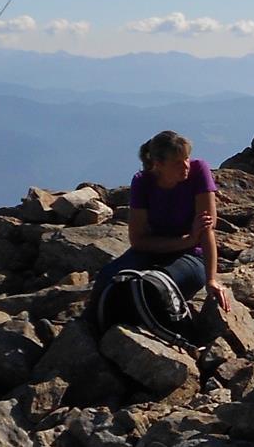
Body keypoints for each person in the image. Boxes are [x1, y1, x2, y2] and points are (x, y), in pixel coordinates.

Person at [94, 129, 232, 325]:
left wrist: (211, 279)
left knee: (156, 286)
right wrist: (186, 240)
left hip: (192, 256)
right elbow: (138, 241)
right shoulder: (142, 182)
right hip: (155, 250)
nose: (186, 165)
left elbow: (207, 228)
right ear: (159, 164)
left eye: (186, 158)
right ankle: (92, 325)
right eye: (177, 162)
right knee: (106, 278)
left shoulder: (199, 170)